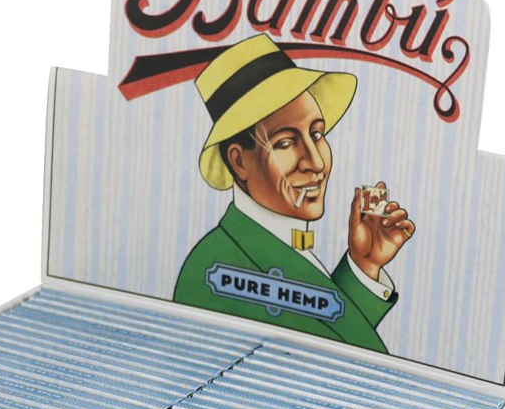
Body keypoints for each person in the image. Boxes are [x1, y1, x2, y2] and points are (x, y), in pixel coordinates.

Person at [173, 34, 415, 352]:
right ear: (239, 161)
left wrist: (364, 265)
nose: (316, 162)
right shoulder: (213, 266)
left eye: (317, 134)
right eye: (285, 142)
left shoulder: (278, 243)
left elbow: (321, 326)